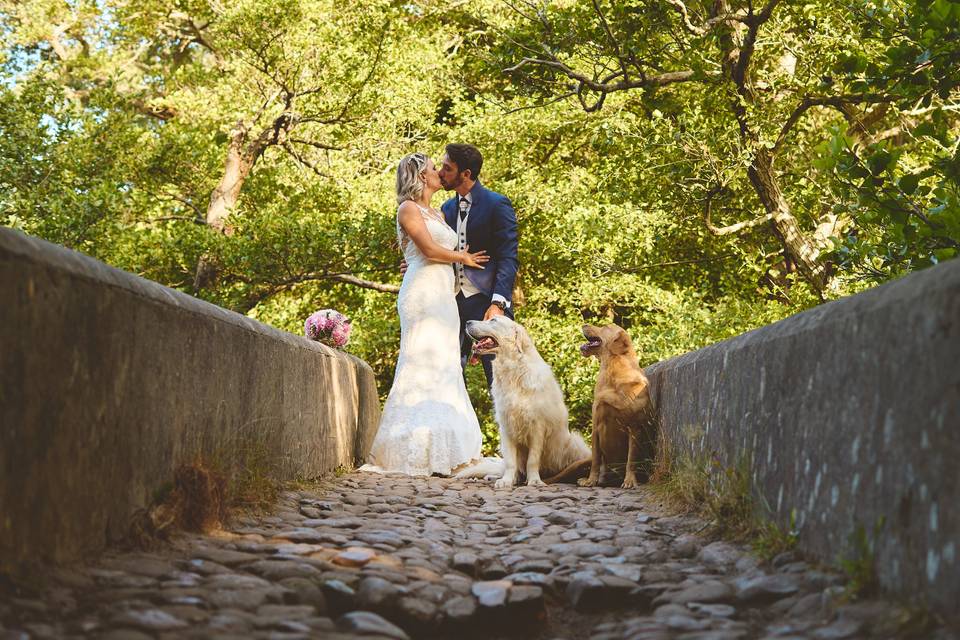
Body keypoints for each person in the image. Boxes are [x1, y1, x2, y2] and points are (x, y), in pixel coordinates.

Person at [362, 153, 490, 476]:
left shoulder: (438, 212)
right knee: (419, 361)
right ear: (420, 176)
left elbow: (427, 250)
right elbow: (430, 251)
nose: (438, 172)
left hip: (443, 299)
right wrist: (463, 257)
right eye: (433, 168)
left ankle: (444, 448)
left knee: (444, 365)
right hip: (422, 296)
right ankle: (411, 448)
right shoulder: (408, 208)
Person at [438, 143, 520, 387]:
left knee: (501, 380)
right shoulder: (446, 208)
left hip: (486, 302)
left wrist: (497, 303)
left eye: (447, 168)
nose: (441, 173)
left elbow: (508, 256)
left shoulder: (497, 204)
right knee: (448, 378)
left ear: (466, 174)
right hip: (450, 303)